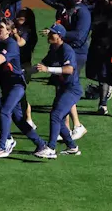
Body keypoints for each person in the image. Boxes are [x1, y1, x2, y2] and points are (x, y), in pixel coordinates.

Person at [0, 19, 48, 158]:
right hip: (7, 87)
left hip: (17, 85)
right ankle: (41, 145)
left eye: (2, 27)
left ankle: (2, 146)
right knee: (18, 119)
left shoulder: (11, 45)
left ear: (10, 31)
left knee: (5, 112)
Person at [34, 24, 82, 158]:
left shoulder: (67, 50)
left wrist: (48, 70)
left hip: (72, 89)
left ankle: (51, 148)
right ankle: (72, 146)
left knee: (55, 115)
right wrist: (24, 72)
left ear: (59, 36)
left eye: (52, 33)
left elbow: (69, 70)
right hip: (63, 88)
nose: (49, 35)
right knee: (59, 119)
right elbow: (41, 65)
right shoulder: (53, 49)